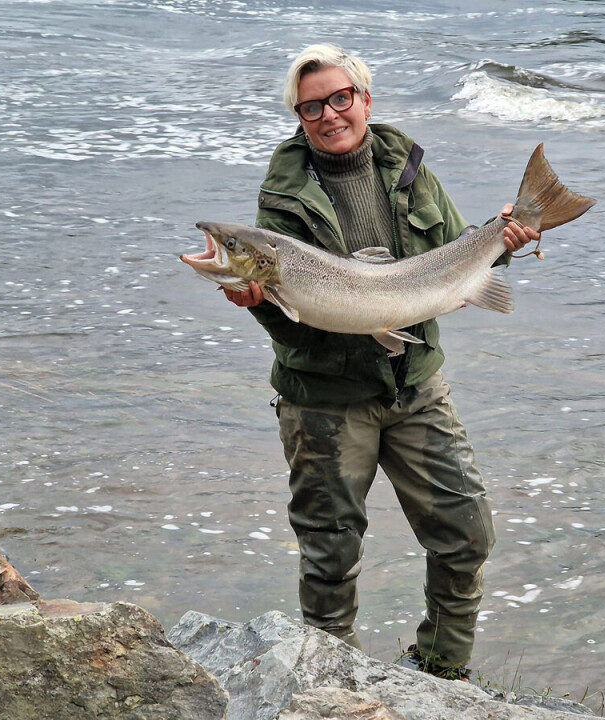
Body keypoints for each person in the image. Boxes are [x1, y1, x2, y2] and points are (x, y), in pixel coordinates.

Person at [222, 44, 539, 679]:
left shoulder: (410, 168)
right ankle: (333, 685)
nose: (328, 114)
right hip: (323, 400)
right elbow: (298, 329)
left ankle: (444, 673)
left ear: (365, 99)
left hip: (415, 385)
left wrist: (502, 243)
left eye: (340, 98)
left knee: (467, 533)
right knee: (329, 556)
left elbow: (454, 257)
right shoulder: (281, 203)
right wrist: (259, 304)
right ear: (299, 116)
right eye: (311, 106)